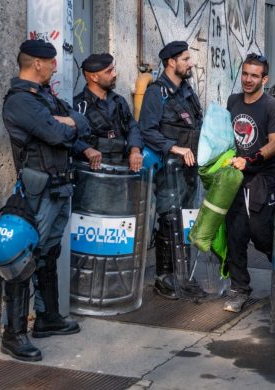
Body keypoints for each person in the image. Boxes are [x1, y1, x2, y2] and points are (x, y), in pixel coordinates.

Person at [1, 39, 90, 361]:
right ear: (37, 63)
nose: (55, 67)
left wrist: (70, 122)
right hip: (38, 189)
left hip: (59, 186)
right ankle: (13, 335)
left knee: (49, 252)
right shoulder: (21, 101)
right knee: (23, 259)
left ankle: (47, 318)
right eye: (52, 62)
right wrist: (66, 125)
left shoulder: (45, 98)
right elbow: (56, 135)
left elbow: (82, 124)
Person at [139, 41, 204, 299]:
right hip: (169, 169)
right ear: (171, 62)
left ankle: (183, 274)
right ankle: (164, 277)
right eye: (186, 59)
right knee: (169, 219)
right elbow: (147, 130)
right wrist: (174, 148)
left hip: (189, 169)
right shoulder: (157, 93)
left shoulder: (186, 90)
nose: (191, 63)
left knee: (185, 220)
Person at [224, 53, 275, 312]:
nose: (248, 80)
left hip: (262, 177)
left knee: (261, 234)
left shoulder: (272, 106)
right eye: (245, 74)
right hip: (234, 177)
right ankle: (240, 289)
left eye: (254, 75)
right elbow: (225, 135)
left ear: (265, 79)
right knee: (235, 234)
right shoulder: (233, 101)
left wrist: (250, 160)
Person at [74, 53, 143, 170]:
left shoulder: (119, 101)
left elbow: (132, 127)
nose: (115, 74)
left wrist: (135, 150)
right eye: (109, 71)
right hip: (92, 173)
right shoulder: (79, 106)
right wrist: (86, 149)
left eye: (113, 69)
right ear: (94, 77)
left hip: (121, 170)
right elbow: (68, 137)